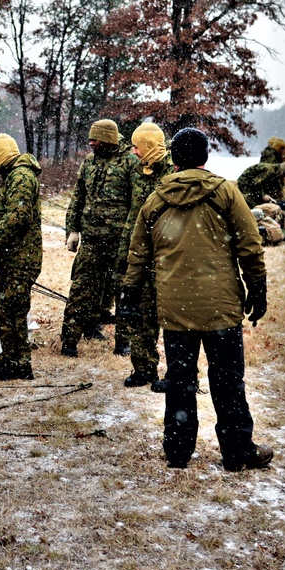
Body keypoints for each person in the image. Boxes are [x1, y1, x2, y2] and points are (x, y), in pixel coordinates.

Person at [122, 127, 273, 472]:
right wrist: (257, 289)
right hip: (220, 308)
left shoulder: (156, 199)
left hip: (176, 310)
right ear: (205, 157)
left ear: (173, 159)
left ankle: (177, 451)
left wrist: (129, 292)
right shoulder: (227, 193)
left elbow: (138, 254)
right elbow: (250, 247)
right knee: (228, 381)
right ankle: (237, 451)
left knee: (179, 380)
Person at [60, 120, 132, 357]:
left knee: (122, 291)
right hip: (91, 240)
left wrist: (131, 239)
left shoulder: (130, 163)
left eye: (95, 140)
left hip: (119, 242)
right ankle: (70, 339)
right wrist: (72, 230)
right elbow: (78, 196)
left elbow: (137, 204)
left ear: (108, 140)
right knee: (81, 288)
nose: (91, 143)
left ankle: (123, 343)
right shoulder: (89, 162)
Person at [115, 122, 174, 391]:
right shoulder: (140, 173)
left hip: (169, 257)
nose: (134, 151)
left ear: (149, 146)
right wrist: (124, 253)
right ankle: (144, 368)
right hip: (142, 256)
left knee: (175, 319)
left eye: (137, 146)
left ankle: (181, 374)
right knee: (141, 314)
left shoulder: (175, 171)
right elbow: (134, 216)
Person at [0, 133, 42, 381]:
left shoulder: (21, 176)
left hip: (21, 258)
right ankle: (11, 359)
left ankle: (20, 364)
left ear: (2, 154)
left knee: (14, 310)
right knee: (8, 310)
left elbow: (17, 217)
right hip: (15, 256)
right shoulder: (14, 176)